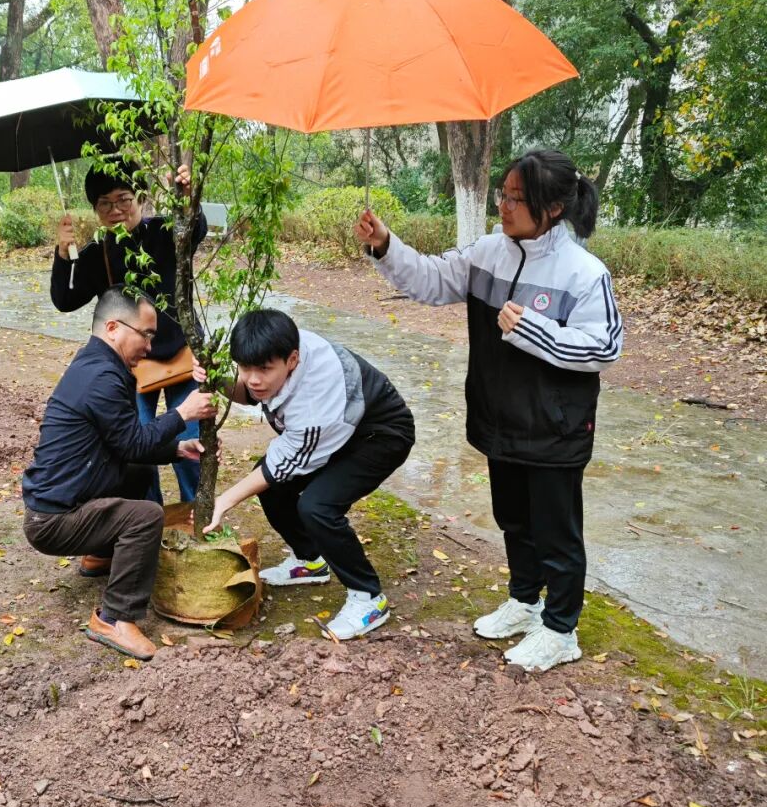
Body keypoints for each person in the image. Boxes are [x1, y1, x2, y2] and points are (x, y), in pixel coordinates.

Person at [354, 148, 623, 673]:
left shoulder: (583, 273)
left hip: (555, 427)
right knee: (513, 520)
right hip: (500, 419)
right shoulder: (487, 253)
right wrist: (385, 244)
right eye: (504, 193)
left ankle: (560, 629)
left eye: (518, 198)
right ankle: (525, 601)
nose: (504, 205)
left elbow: (604, 347)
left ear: (553, 208)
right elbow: (431, 279)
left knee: (557, 533)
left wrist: (532, 330)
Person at [22, 287, 215, 661]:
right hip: (52, 521)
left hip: (62, 504)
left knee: (139, 471)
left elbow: (124, 443)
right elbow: (133, 443)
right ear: (113, 328)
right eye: (146, 334)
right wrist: (183, 414)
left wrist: (177, 449)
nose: (150, 346)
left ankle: (100, 553)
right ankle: (114, 618)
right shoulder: (103, 377)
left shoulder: (98, 364)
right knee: (145, 516)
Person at [203, 308, 415, 642]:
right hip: (341, 429)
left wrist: (223, 501)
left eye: (264, 370)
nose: (253, 379)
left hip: (380, 435)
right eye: (244, 367)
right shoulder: (279, 351)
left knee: (318, 506)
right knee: (271, 488)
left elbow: (281, 465)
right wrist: (216, 378)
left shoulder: (316, 400)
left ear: (292, 360)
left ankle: (369, 598)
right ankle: (310, 560)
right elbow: (249, 394)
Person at [51, 164, 207, 504]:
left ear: (141, 198)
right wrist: (63, 255)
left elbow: (195, 229)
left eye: (124, 199)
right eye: (104, 203)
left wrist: (187, 198)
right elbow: (65, 299)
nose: (116, 210)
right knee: (138, 449)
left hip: (183, 357)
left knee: (192, 442)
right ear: (95, 209)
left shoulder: (165, 232)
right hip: (132, 367)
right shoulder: (98, 253)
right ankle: (150, 515)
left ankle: (197, 512)